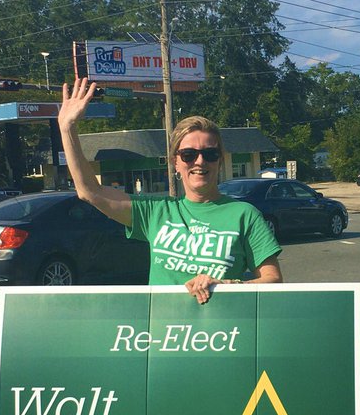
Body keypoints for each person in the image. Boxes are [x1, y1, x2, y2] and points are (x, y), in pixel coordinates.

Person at [57, 77, 283, 302]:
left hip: (220, 334)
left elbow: (273, 280)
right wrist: (67, 129)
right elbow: (89, 191)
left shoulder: (244, 214)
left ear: (220, 160)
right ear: (176, 162)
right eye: (189, 155)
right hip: (164, 333)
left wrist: (226, 285)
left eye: (210, 154)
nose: (200, 162)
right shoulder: (156, 212)